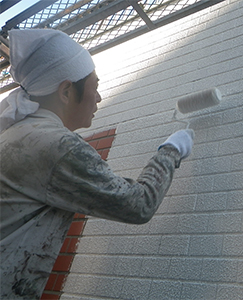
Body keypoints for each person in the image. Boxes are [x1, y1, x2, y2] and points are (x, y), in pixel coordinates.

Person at [0, 29, 194, 299]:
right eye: (96, 87)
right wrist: (171, 151)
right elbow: (139, 204)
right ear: (66, 91)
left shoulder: (14, 133)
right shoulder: (57, 146)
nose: (99, 98)